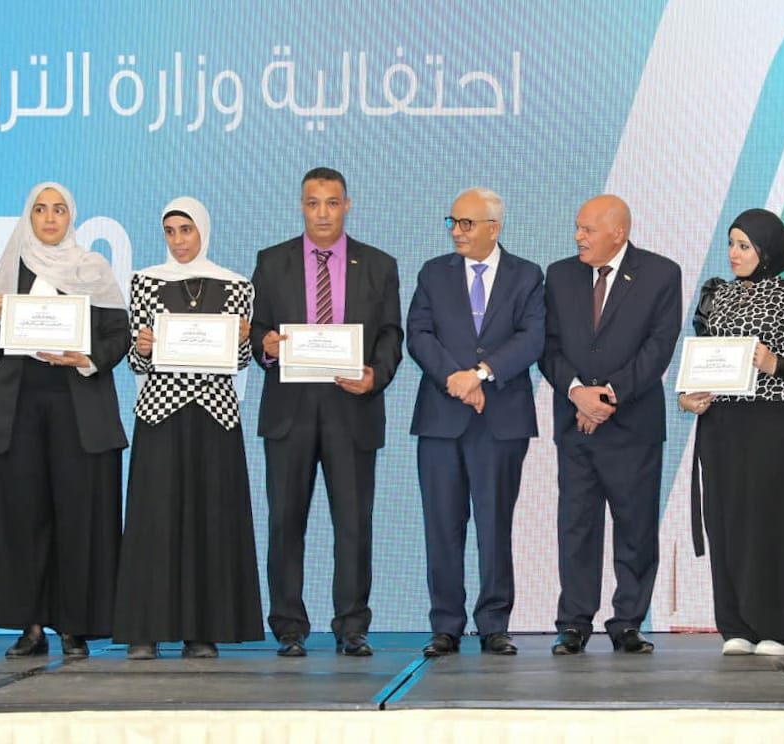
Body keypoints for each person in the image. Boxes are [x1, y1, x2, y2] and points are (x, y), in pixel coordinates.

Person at [0, 182, 130, 658]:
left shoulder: (91, 268)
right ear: (29, 216)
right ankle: (32, 626)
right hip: (19, 412)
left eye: (58, 209)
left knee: (77, 519)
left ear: (71, 217)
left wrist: (87, 357)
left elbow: (118, 335)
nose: (50, 218)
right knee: (23, 519)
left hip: (79, 410)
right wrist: (2, 316)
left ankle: (74, 626)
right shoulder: (12, 267)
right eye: (40, 209)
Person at [251, 167, 402, 657]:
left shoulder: (379, 265)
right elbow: (257, 330)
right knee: (284, 522)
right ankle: (288, 626)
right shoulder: (271, 262)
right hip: (289, 411)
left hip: (352, 409)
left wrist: (376, 375)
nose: (322, 213)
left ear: (347, 206)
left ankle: (352, 625)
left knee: (354, 524)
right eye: (313, 203)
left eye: (332, 203)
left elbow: (390, 334)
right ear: (301, 206)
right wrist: (267, 346)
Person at [112, 197, 264, 660]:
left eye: (186, 230)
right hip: (160, 413)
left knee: (210, 519)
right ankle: (146, 629)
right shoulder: (145, 281)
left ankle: (203, 629)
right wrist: (142, 347)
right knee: (154, 520)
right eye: (170, 231)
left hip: (215, 415)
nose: (178, 241)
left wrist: (244, 341)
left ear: (203, 231)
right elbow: (137, 360)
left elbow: (239, 361)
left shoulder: (236, 285)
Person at [681, 208, 784, 656]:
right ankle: (738, 625)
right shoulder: (716, 295)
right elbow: (701, 358)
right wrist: (689, 396)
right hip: (721, 425)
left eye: (744, 245)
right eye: (731, 243)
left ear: (767, 251)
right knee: (726, 520)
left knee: (774, 520)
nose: (733, 253)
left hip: (773, 424)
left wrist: (774, 363)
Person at [540, 194, 681, 655]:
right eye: (577, 227)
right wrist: (577, 392)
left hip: (633, 426)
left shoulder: (661, 273)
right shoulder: (559, 275)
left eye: (587, 229)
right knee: (576, 527)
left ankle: (628, 622)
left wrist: (609, 396)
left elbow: (659, 347)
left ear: (618, 233)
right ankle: (574, 622)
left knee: (635, 528)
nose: (577, 236)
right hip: (575, 424)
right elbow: (547, 345)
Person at [407, 188, 544, 657]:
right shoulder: (433, 273)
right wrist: (456, 378)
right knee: (442, 526)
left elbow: (533, 338)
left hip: (501, 419)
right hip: (442, 418)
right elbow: (418, 334)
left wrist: (482, 374)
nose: (457, 232)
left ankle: (494, 624)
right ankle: (445, 625)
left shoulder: (527, 275)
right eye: (453, 222)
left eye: (466, 223)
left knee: (494, 525)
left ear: (494, 227)